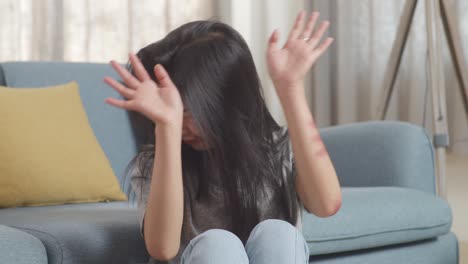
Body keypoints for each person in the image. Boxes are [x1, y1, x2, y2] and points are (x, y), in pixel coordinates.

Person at [103, 10, 341, 264]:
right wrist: (167, 127)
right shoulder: (154, 164)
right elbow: (162, 249)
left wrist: (290, 88)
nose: (183, 125)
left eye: (188, 112)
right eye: (173, 114)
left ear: (228, 101)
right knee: (217, 244)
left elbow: (326, 204)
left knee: (279, 233)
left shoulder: (276, 149)